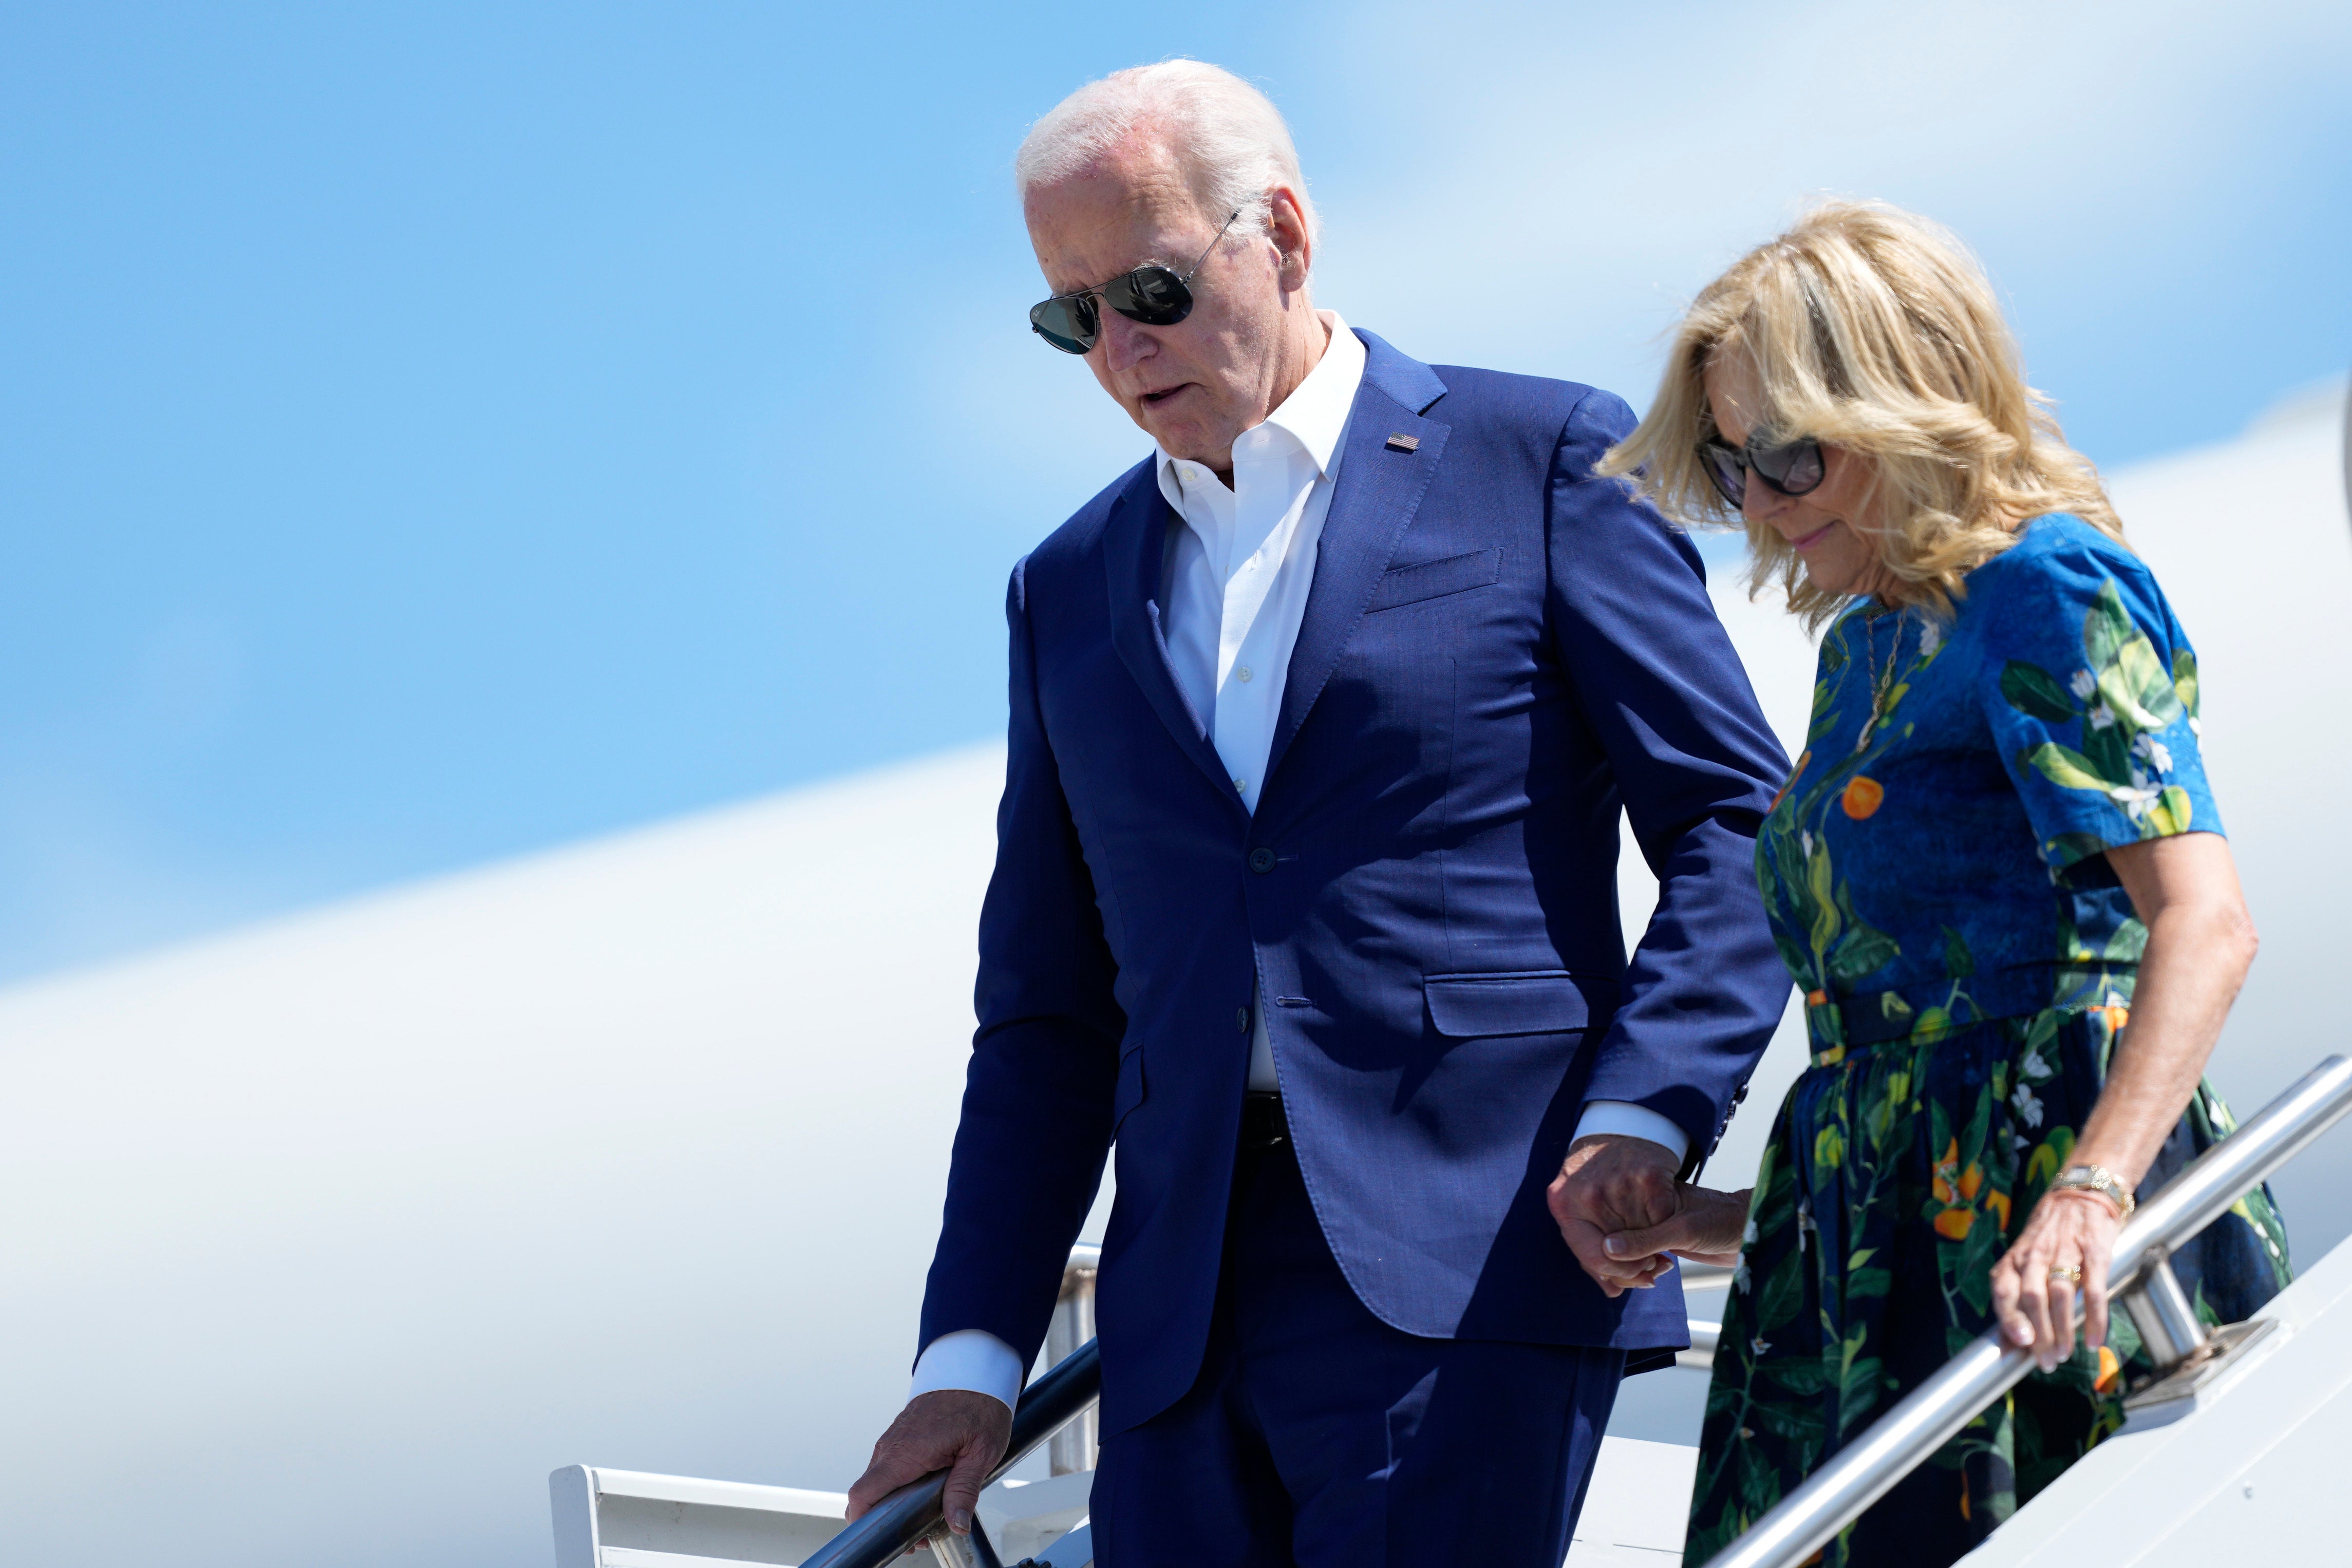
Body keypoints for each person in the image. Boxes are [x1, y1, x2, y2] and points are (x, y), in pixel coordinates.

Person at [841, 61, 1793, 1566]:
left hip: (1479, 1255)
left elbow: (1737, 823)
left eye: (1150, 289)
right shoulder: (1063, 589)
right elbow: (1046, 1016)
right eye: (1073, 316)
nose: (1120, 348)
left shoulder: (1539, 457)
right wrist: (965, 1363)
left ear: (1281, 233)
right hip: (1176, 1322)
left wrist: (1645, 1110)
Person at [1591, 201, 2293, 1567]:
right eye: (1733, 466)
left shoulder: (2046, 585)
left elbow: (2204, 922)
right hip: (1859, 1264)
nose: (1759, 506)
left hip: (2048, 1238)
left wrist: (2090, 1197)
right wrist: (1728, 1222)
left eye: (1787, 456)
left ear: (1904, 403)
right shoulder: (1864, 647)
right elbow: (1904, 1063)